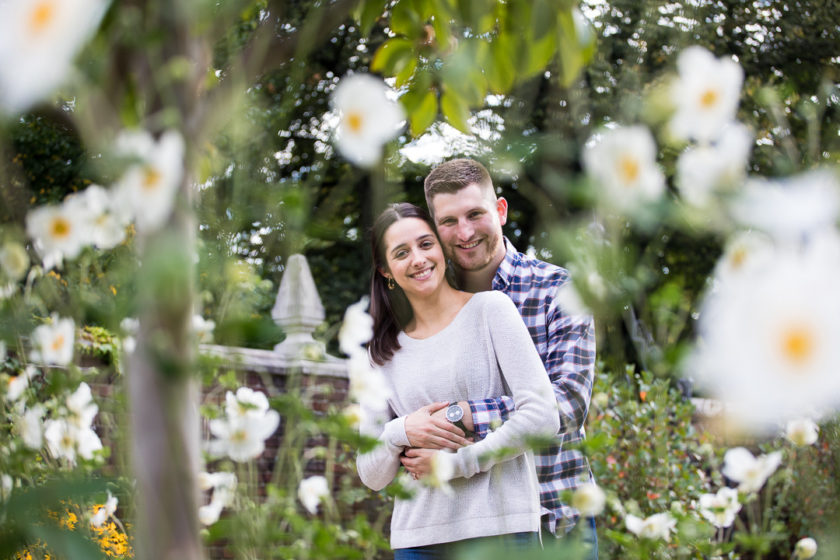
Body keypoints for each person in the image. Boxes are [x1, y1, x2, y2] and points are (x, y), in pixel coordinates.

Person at [401, 158, 597, 545]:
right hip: (461, 521)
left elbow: (569, 404)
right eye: (449, 221)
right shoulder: (422, 308)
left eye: (475, 214)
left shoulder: (558, 290)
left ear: (501, 211)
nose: (465, 232)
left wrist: (464, 414)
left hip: (554, 514)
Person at [356, 203, 560, 558]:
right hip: (418, 539)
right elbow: (371, 474)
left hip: (502, 530)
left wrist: (451, 465)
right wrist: (401, 429)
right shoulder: (380, 355)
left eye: (425, 244)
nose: (418, 259)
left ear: (441, 248)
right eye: (401, 253)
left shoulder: (491, 310)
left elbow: (543, 416)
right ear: (386, 270)